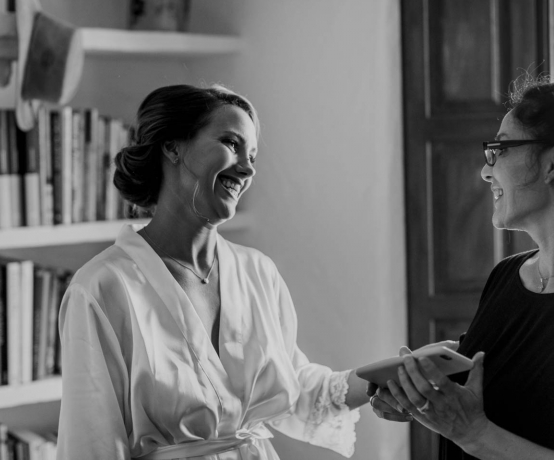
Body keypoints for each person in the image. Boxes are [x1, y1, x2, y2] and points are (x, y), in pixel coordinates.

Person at [56, 84, 371, 460]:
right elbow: (92, 445)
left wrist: (392, 377)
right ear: (173, 146)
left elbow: (295, 387)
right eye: (231, 143)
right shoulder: (102, 288)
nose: (248, 167)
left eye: (252, 154)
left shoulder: (258, 272)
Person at [368, 79, 554, 459]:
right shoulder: (506, 276)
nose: (486, 172)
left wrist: (471, 433)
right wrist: (423, 398)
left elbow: (477, 429)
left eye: (499, 149)